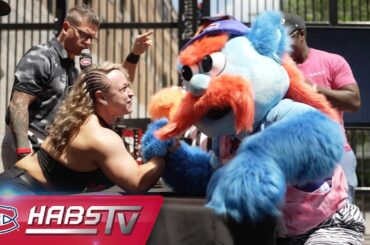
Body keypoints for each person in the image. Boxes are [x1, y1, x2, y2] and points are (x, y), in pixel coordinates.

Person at [1, 5, 153, 170]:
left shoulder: (75, 68)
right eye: (84, 35)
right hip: (27, 144)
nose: (88, 43)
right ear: (66, 27)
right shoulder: (41, 57)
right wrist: (23, 152)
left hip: (51, 149)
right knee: (24, 196)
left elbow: (116, 86)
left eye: (92, 38)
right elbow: (18, 104)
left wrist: (134, 54)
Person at [0, 62, 165, 195]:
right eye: (123, 89)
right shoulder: (99, 135)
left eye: (128, 87)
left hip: (18, 188)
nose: (131, 93)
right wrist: (166, 150)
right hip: (15, 194)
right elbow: (137, 183)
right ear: (101, 97)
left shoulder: (85, 121)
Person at [283, 13, 361, 203]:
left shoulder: (332, 61)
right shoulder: (276, 70)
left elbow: (353, 101)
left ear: (301, 34)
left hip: (335, 153)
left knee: (341, 216)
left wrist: (314, 89)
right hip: (293, 156)